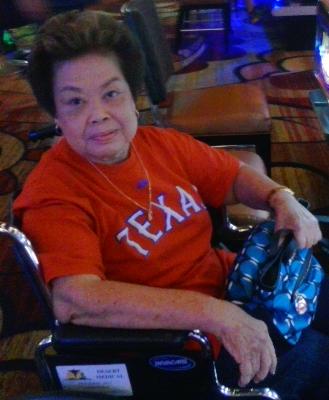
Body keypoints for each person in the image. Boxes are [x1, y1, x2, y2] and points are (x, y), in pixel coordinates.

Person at [13, 10, 329, 399]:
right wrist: (217, 315)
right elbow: (76, 300)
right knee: (320, 362)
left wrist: (280, 197)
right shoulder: (52, 193)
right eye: (75, 101)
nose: (98, 115)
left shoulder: (157, 144)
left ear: (133, 96)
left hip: (236, 289)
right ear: (56, 114)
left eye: (111, 94)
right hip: (181, 345)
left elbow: (232, 176)